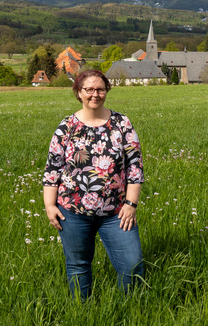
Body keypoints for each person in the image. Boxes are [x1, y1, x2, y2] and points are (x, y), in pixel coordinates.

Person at [42, 68, 144, 300]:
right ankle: (82, 310)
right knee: (78, 266)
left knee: (132, 266)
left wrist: (131, 203)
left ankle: (129, 309)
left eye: (100, 89)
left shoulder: (122, 123)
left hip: (116, 213)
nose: (95, 94)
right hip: (73, 213)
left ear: (107, 91)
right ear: (79, 92)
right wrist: (50, 205)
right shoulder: (66, 127)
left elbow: (135, 167)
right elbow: (53, 169)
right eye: (89, 89)